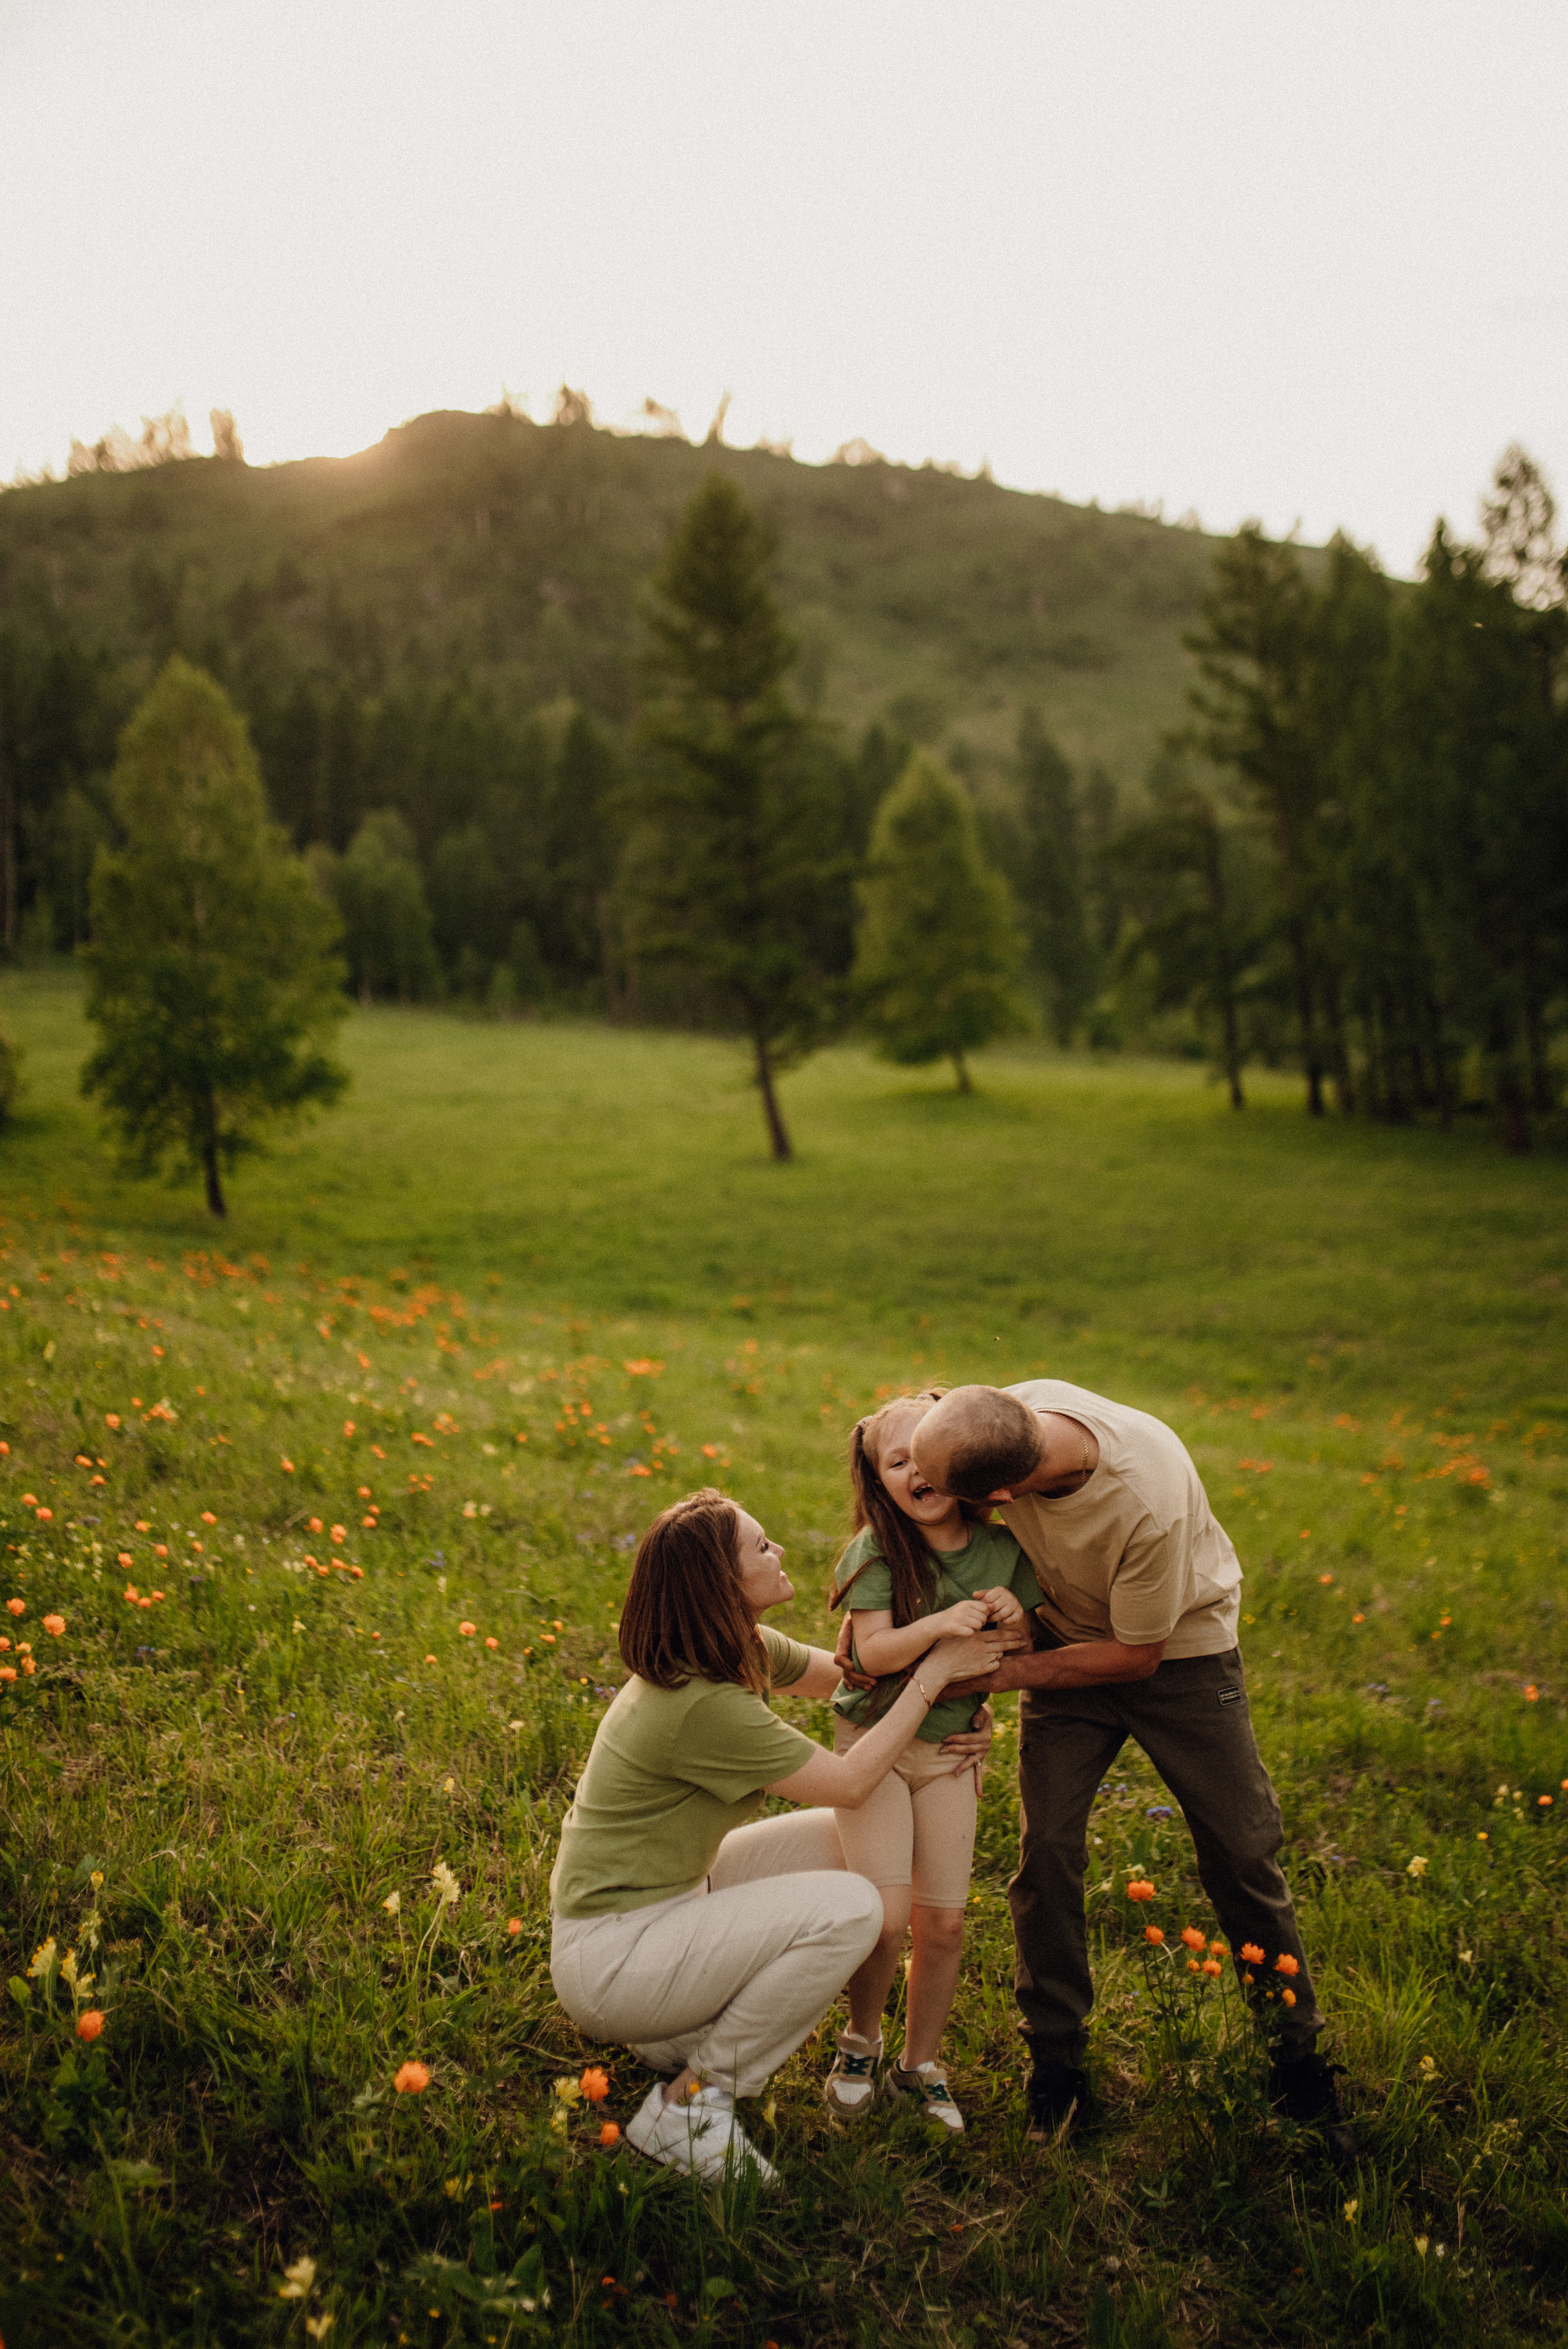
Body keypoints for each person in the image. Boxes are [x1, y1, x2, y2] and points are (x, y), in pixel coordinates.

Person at [910, 1380, 1351, 2152]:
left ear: (1005, 1492)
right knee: (1045, 1854)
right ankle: (1057, 2066)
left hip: (1176, 1657)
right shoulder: (1002, 1416)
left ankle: (1297, 2058)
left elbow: (1134, 1656)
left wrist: (999, 1676)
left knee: (1242, 1851)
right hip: (1061, 1639)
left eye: (957, 1499)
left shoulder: (1146, 1501)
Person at [548, 1486, 1003, 2184]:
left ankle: (678, 2037)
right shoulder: (702, 1705)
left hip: (667, 1906)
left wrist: (962, 1702)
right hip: (612, 1961)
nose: (780, 1550)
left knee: (855, 1845)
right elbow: (852, 1781)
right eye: (761, 1547)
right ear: (722, 1584)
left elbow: (855, 1683)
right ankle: (692, 2108)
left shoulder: (742, 1648)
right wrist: (938, 1670)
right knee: (853, 1906)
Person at [823, 1392, 1038, 2131]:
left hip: (949, 1751)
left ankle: (919, 2063)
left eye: (930, 1453)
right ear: (877, 1480)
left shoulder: (1004, 1549)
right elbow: (872, 1652)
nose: (918, 1470)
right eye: (897, 1460)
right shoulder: (878, 1550)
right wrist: (943, 1628)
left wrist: (1014, 1621)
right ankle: (860, 2041)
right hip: (873, 1751)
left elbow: (1015, 1653)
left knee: (942, 1925)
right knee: (885, 1921)